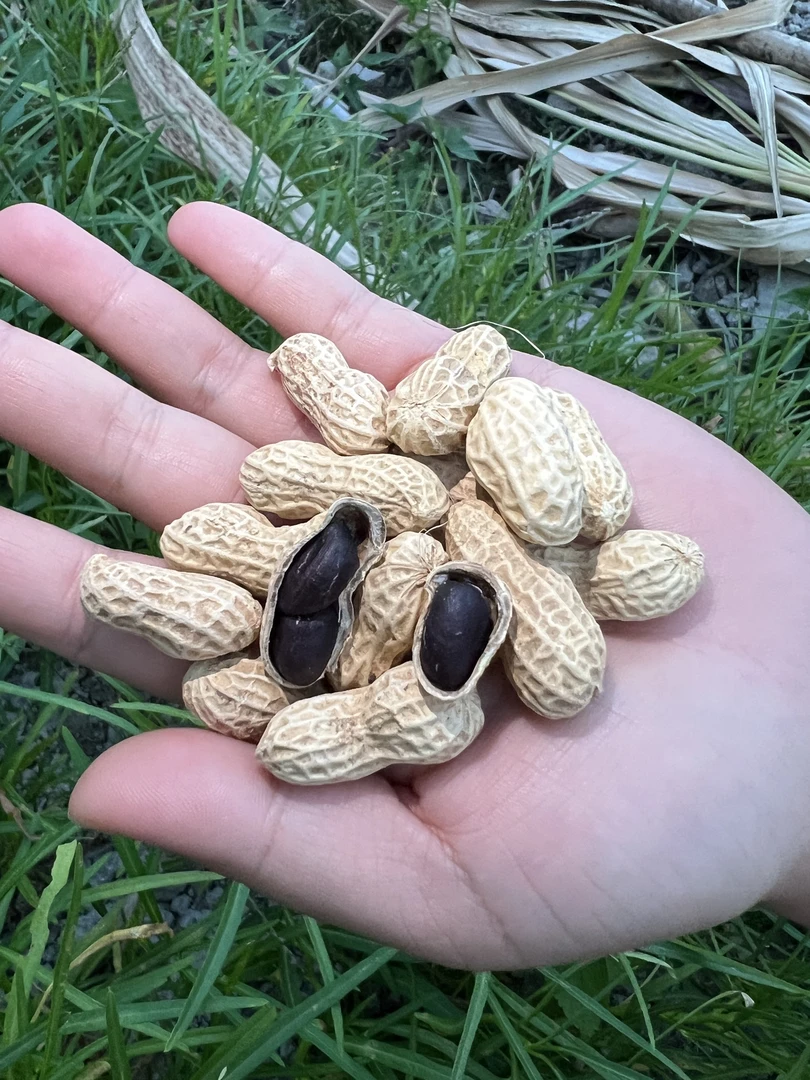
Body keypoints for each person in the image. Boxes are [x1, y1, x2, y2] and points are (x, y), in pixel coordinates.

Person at [0, 201, 808, 971]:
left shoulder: (520, 540)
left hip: (437, 590)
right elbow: (359, 505)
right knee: (326, 583)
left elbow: (524, 602)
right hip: (365, 570)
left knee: (490, 613)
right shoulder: (405, 502)